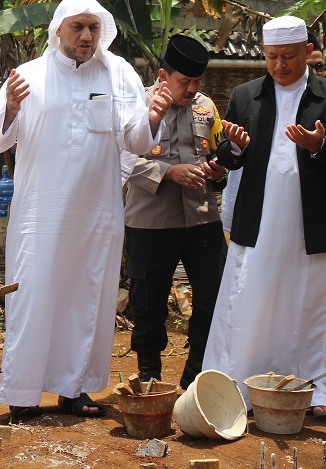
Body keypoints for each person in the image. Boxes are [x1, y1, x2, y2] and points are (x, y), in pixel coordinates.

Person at [0, 0, 172, 419]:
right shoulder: (28, 75)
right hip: (40, 216)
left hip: (95, 216)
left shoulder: (118, 72)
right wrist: (11, 109)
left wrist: (154, 116)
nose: (87, 36)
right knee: (34, 297)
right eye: (78, 27)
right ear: (58, 30)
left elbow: (137, 141)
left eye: (93, 27)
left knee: (88, 298)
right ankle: (24, 393)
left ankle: (76, 390)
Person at [202, 15, 326, 417]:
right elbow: (225, 159)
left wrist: (320, 146)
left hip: (316, 223)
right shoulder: (244, 95)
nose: (280, 66)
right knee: (252, 298)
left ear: (308, 53)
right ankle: (244, 383)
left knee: (314, 303)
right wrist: (234, 148)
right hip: (260, 220)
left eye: (289, 57)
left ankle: (324, 390)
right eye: (272, 57)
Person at [123, 34, 226, 389]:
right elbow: (122, 161)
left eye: (198, 81)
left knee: (213, 297)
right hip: (151, 221)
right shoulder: (136, 105)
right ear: (163, 76)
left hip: (203, 218)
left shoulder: (206, 107)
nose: (192, 88)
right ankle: (149, 372)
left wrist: (218, 168)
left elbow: (215, 153)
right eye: (185, 81)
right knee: (148, 303)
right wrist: (168, 172)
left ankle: (196, 371)